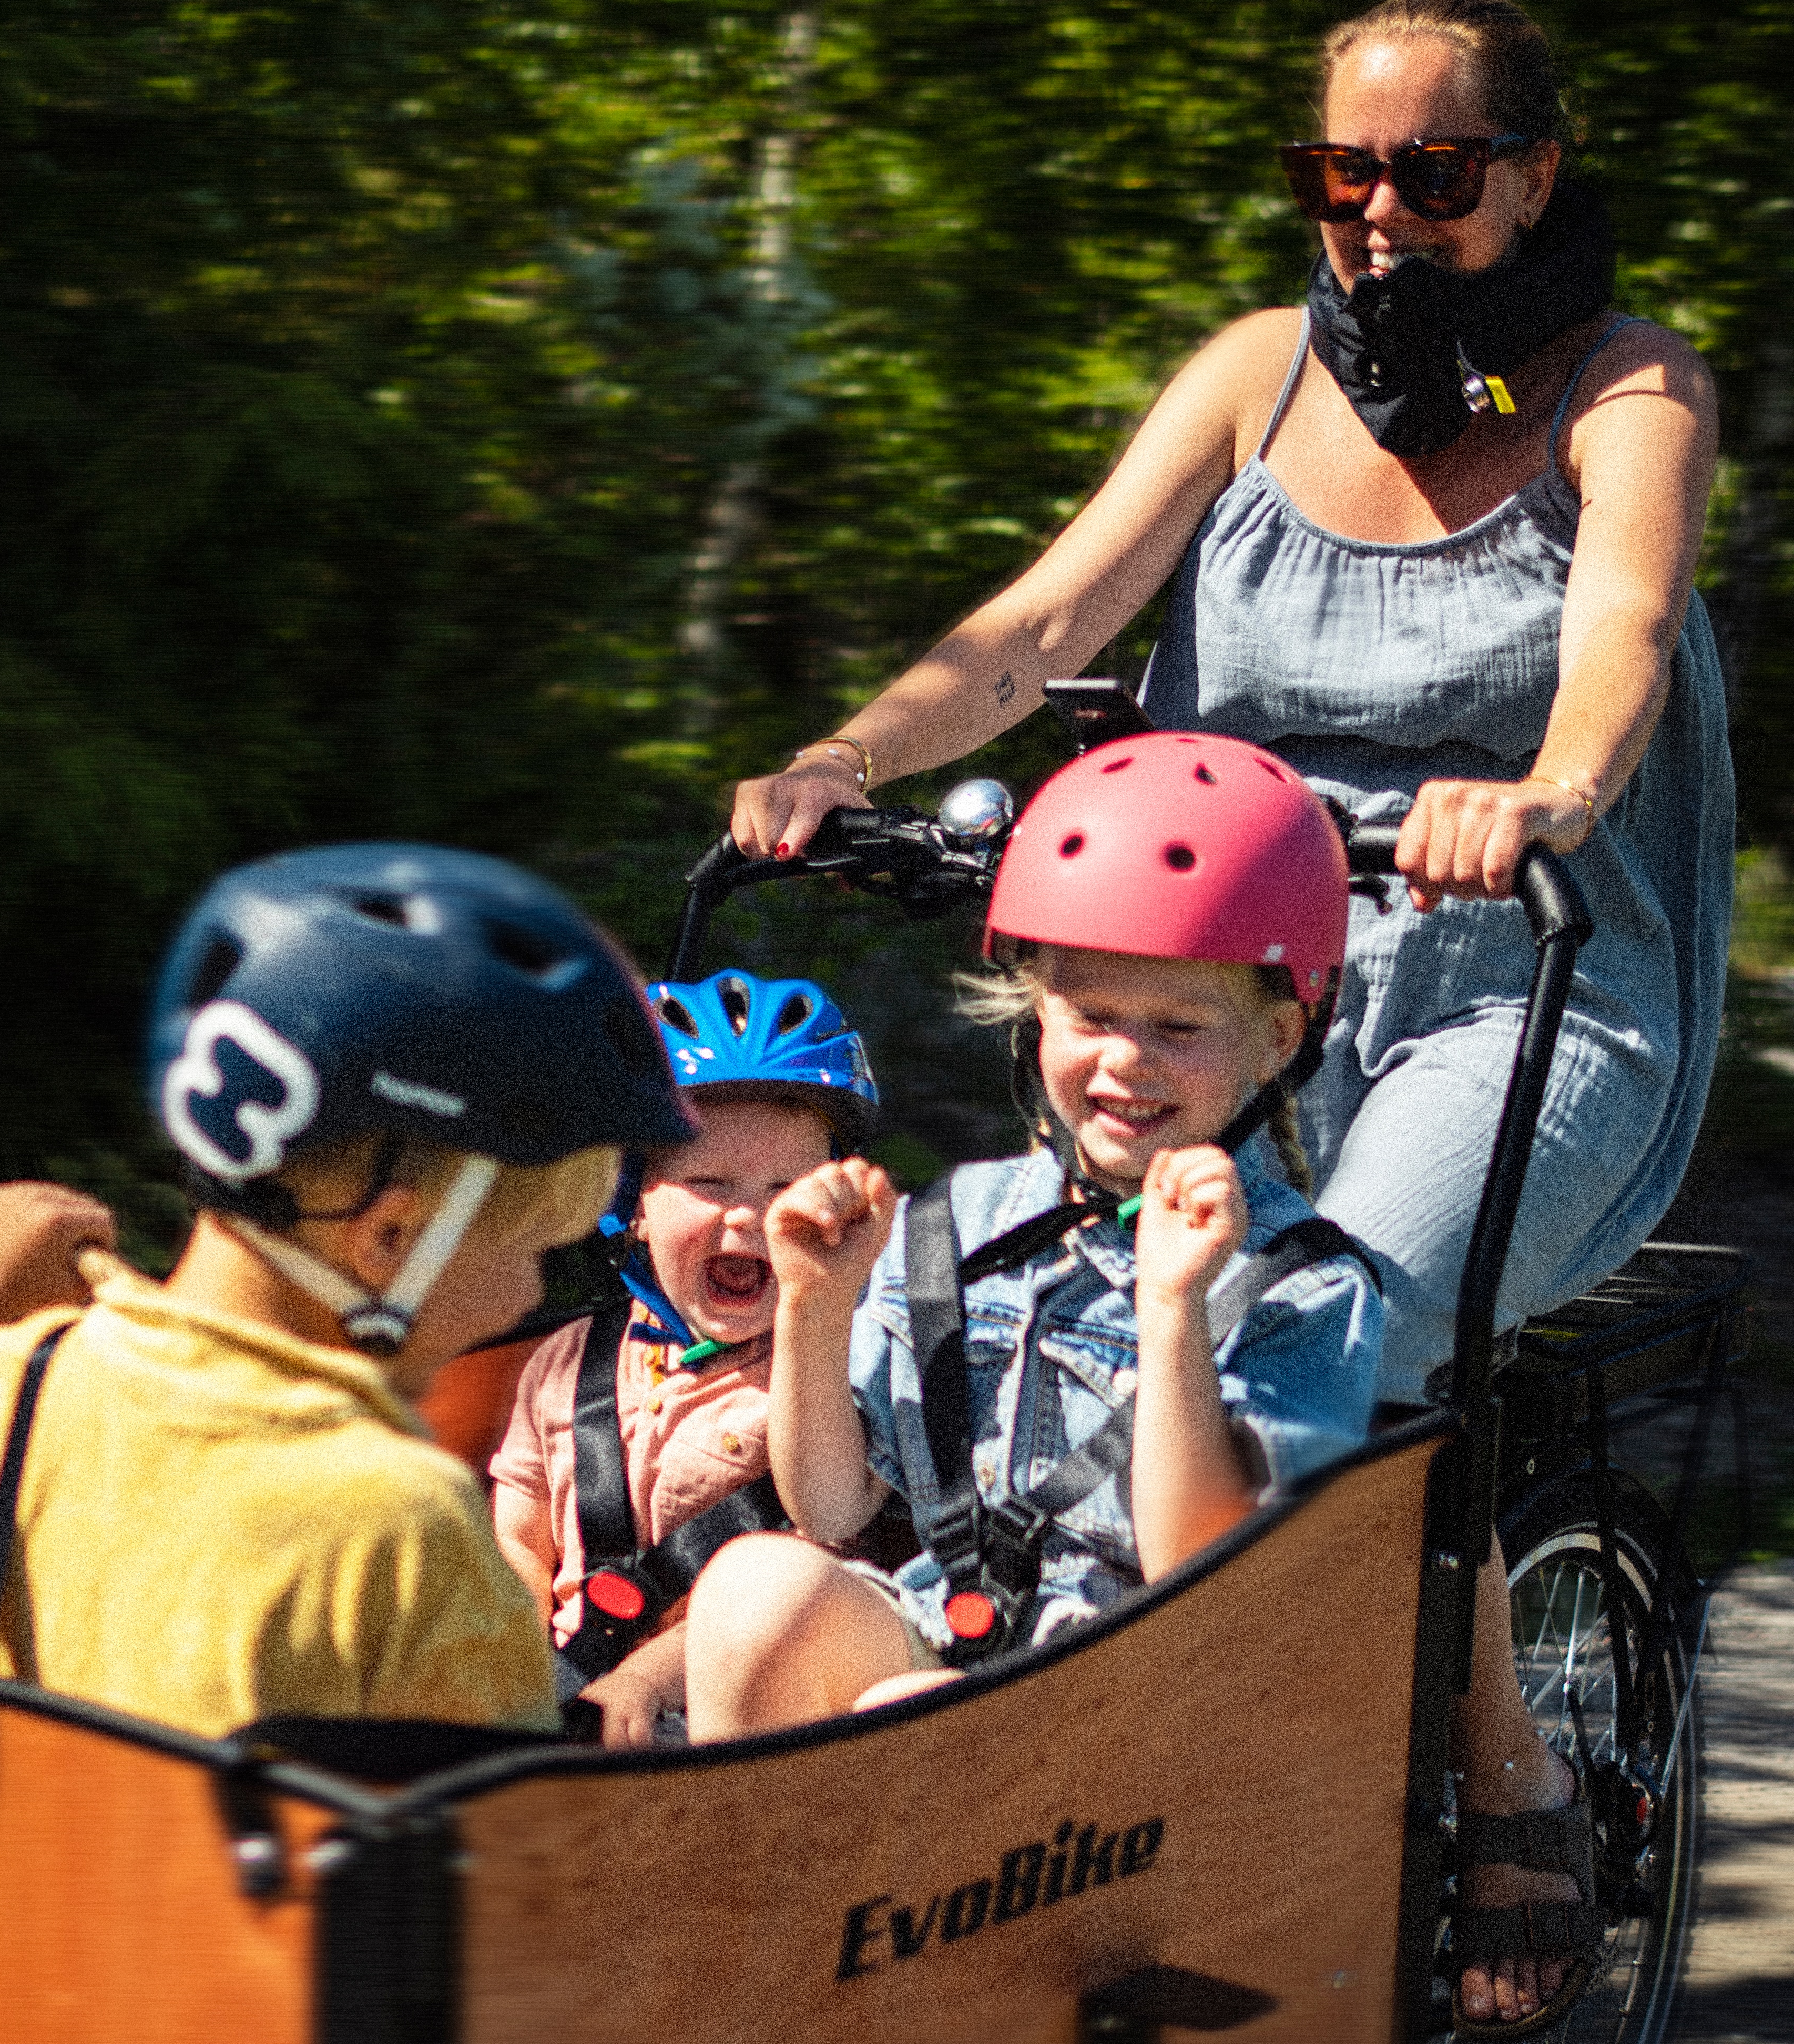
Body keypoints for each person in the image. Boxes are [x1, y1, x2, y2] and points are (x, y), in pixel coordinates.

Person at [723, 4, 1724, 2027]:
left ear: (1529, 176)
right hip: (1237, 978)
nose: (1371, 214)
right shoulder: (1247, 376)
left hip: (1523, 974)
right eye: (1334, 173)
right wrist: (847, 753)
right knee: (1017, 1308)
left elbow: (1612, 630)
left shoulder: (1628, 390)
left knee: (1337, 1310)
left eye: (1427, 175)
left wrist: (1541, 792)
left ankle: (1499, 1764)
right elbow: (1035, 626)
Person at [0, 843, 695, 1740]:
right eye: (534, 1250)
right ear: (392, 1238)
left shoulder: (9, 1387)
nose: (526, 1296)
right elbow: (530, 1844)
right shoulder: (400, 1522)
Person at [686, 734, 1382, 1724]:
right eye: (1090, 1015)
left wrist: (1174, 1307)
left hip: (1155, 1700)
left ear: (1276, 1039)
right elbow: (833, 1510)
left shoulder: (1297, 1284)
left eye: (1178, 1028)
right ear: (1036, 1015)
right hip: (958, 1642)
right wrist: (816, 1303)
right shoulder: (958, 1221)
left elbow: (1203, 1574)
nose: (1124, 1064)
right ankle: (737, 1872)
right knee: (758, 1587)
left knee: (908, 1706)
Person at [489, 970, 879, 1749]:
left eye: (789, 1186)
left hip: (725, 1707)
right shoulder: (569, 1365)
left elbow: (812, 1568)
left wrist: (641, 1679)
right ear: (633, 1200)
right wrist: (512, 1663)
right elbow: (520, 1545)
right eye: (709, 1182)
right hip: (559, 1687)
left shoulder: (826, 1373)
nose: (751, 1214)